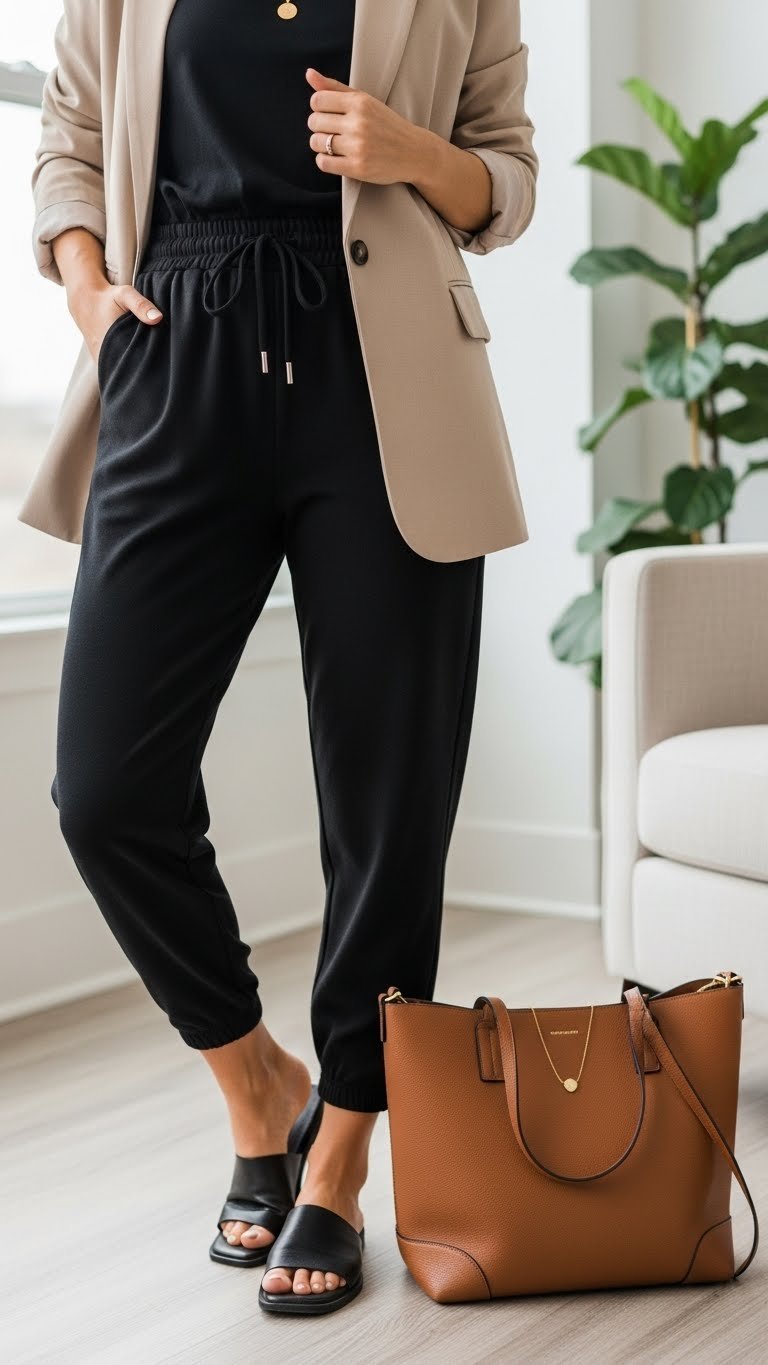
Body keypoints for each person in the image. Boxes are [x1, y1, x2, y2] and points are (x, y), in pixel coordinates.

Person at [28, 0, 537, 1317]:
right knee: (106, 787)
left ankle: (347, 1145)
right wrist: (89, 291)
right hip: (175, 349)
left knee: (386, 797)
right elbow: (72, 130)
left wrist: (408, 150)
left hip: (387, 371)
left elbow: (508, 174)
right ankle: (258, 1083)